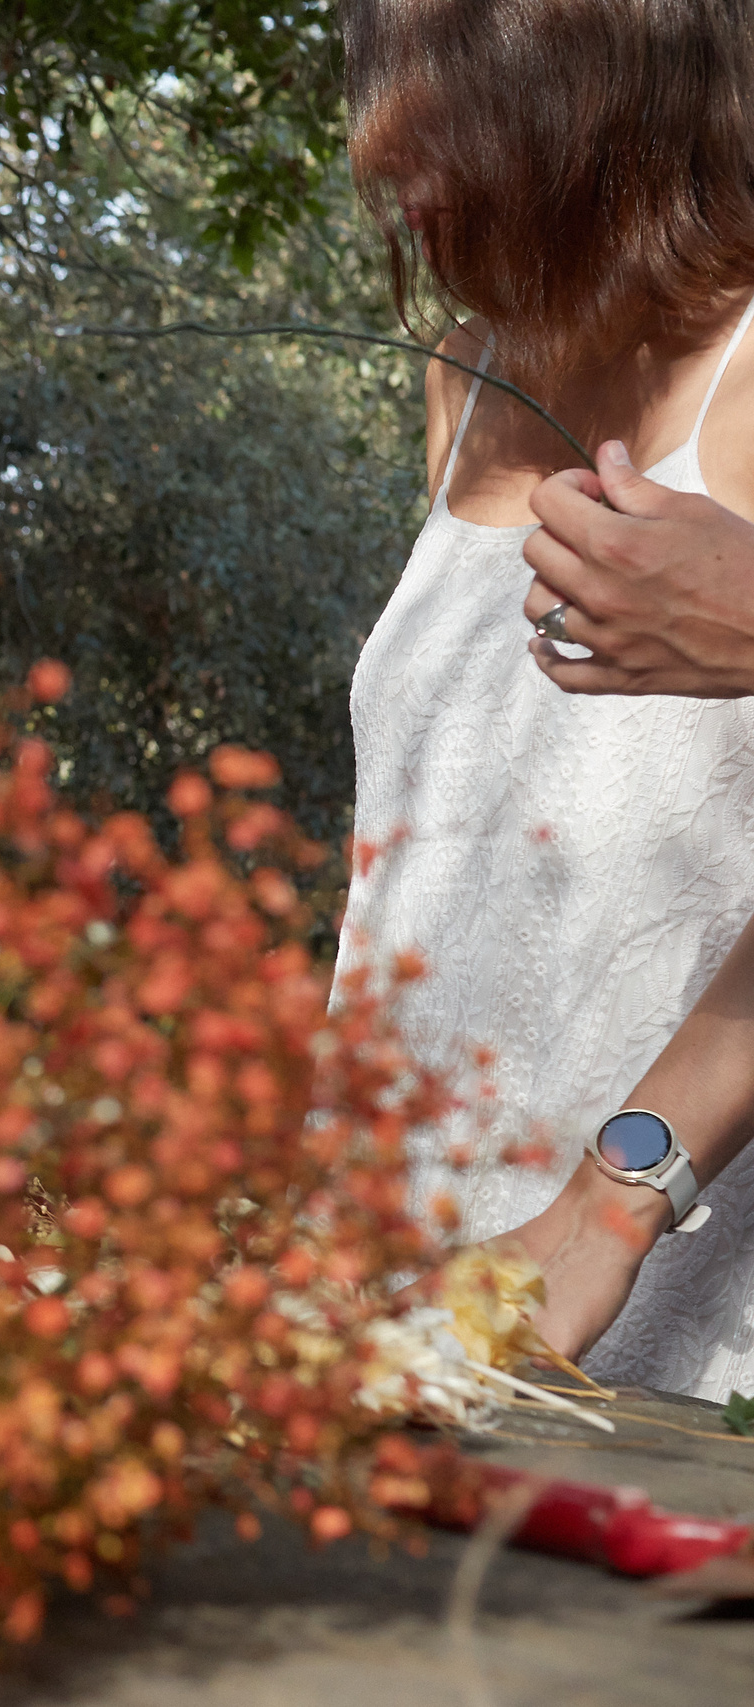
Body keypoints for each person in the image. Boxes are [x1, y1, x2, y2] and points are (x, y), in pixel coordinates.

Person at [334, 0, 754, 1397]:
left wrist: (614, 1198)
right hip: (393, 1271)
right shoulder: (465, 377)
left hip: (651, 1299)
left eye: (445, 92)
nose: (390, 155)